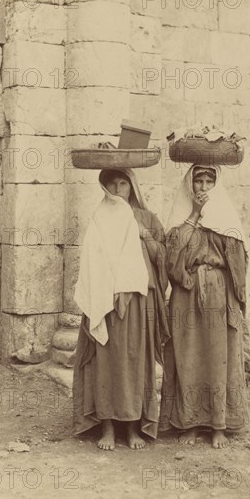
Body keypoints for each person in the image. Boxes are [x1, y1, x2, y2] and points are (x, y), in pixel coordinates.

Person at [72, 169, 169, 450]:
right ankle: (107, 427)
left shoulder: (147, 218)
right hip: (104, 300)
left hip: (139, 300)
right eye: (112, 183)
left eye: (123, 182)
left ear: (132, 186)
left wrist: (145, 236)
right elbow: (91, 260)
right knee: (106, 361)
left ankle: (133, 427)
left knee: (134, 361)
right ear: (105, 187)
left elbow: (163, 258)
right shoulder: (99, 218)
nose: (118, 188)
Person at [159, 164, 250, 448]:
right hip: (187, 294)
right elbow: (170, 258)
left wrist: (236, 300)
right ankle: (189, 422)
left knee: (218, 358)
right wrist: (196, 215)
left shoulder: (227, 218)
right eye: (199, 180)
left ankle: (218, 425)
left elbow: (238, 264)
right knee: (188, 357)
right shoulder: (180, 219)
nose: (204, 186)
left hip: (220, 296)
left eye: (210, 180)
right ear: (190, 184)